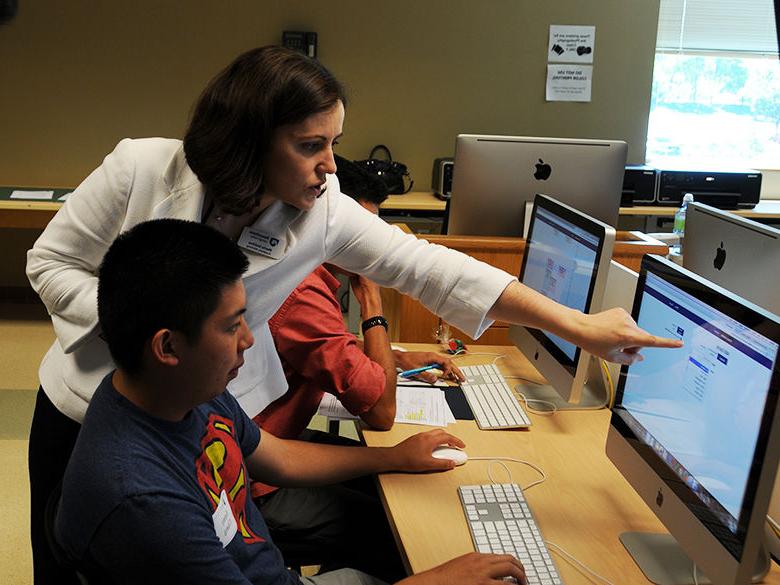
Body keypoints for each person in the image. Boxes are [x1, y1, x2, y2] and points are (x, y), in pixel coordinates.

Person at [27, 45, 681, 583]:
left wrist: (577, 324)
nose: (330, 166)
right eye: (312, 144)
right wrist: (140, 324)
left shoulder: (322, 207)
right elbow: (47, 263)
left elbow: (433, 268)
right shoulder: (141, 168)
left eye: (335, 141)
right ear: (251, 142)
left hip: (195, 409)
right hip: (90, 405)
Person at [55, 218, 527, 585]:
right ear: (168, 347)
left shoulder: (179, 394)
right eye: (231, 326)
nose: (247, 341)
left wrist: (393, 456)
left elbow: (276, 456)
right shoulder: (143, 503)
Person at [252, 155, 464, 577]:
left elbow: (318, 347)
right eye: (361, 230)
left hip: (268, 441)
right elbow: (381, 413)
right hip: (257, 487)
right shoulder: (303, 293)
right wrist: (371, 301)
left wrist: (397, 358)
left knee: (388, 483)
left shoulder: (297, 269)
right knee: (388, 523)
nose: (370, 243)